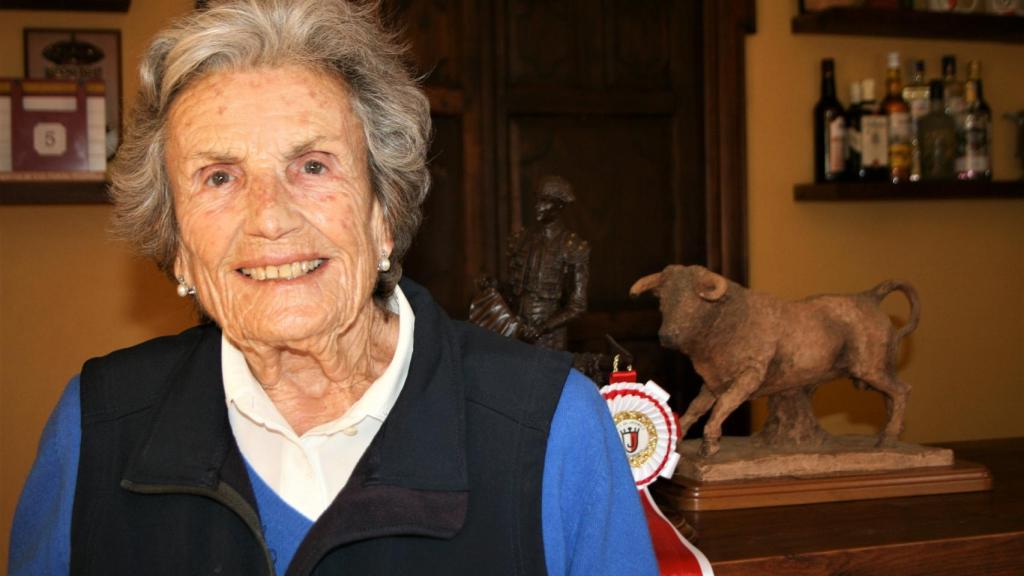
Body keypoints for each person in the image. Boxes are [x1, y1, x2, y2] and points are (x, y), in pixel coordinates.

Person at [8, 1, 657, 574]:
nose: (270, 216)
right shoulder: (95, 427)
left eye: (312, 165)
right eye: (218, 177)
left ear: (382, 213)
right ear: (178, 246)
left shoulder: (553, 431)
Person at [501, 176, 590, 350]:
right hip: (516, 332)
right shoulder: (521, 240)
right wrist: (495, 286)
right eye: (538, 199)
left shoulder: (572, 248)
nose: (537, 206)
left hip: (550, 339)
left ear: (560, 205)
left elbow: (578, 306)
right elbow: (514, 291)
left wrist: (542, 328)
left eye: (545, 201)